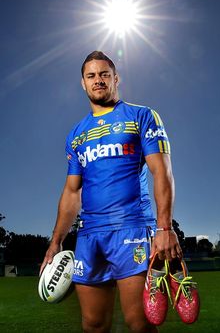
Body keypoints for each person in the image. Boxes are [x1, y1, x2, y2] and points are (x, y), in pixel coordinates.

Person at [41, 51, 182, 333]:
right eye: (91, 76)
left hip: (131, 229)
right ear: (83, 83)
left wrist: (164, 227)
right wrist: (56, 241)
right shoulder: (76, 134)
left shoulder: (142, 116)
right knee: (93, 324)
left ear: (116, 78)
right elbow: (71, 192)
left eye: (104, 74)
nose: (98, 80)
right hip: (90, 236)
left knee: (139, 323)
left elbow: (162, 173)